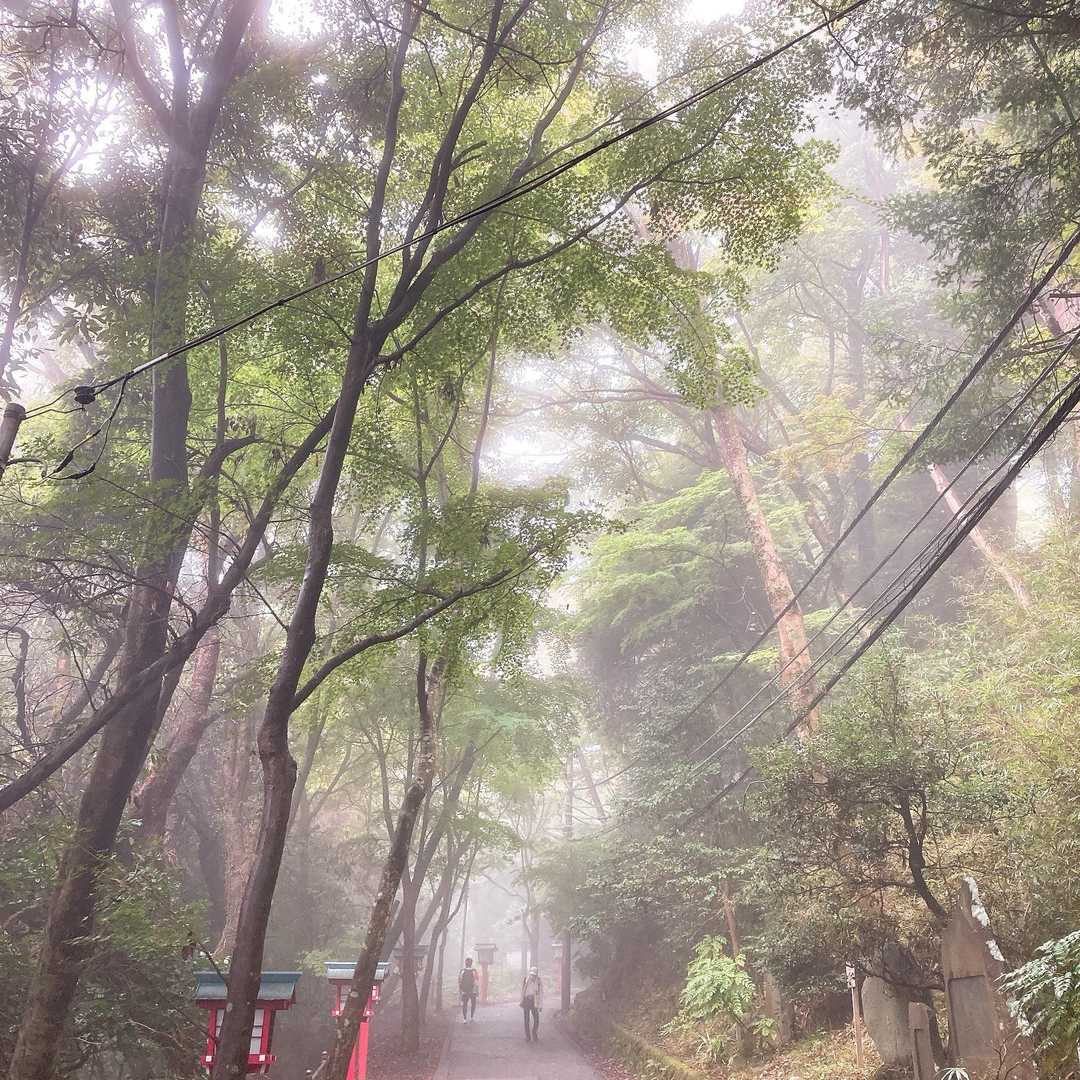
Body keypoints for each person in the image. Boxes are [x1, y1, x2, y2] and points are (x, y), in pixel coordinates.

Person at [520, 966, 543, 1041]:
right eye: (531, 974)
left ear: (536, 974)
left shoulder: (539, 981)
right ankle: (528, 1036)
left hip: (534, 1001)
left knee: (536, 1019)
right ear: (530, 974)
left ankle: (534, 1033)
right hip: (526, 1000)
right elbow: (523, 991)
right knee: (526, 1020)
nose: (533, 976)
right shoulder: (526, 979)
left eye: (534, 975)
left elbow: (541, 993)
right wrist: (521, 1001)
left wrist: (540, 1005)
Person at [459, 957, 479, 1023]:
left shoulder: (462, 971)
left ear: (465, 963)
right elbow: (476, 981)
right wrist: (477, 991)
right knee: (473, 1004)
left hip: (464, 991)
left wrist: (460, 991)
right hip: (473, 991)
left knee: (464, 1005)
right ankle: (471, 1017)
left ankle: (464, 1019)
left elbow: (460, 981)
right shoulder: (474, 971)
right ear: (471, 963)